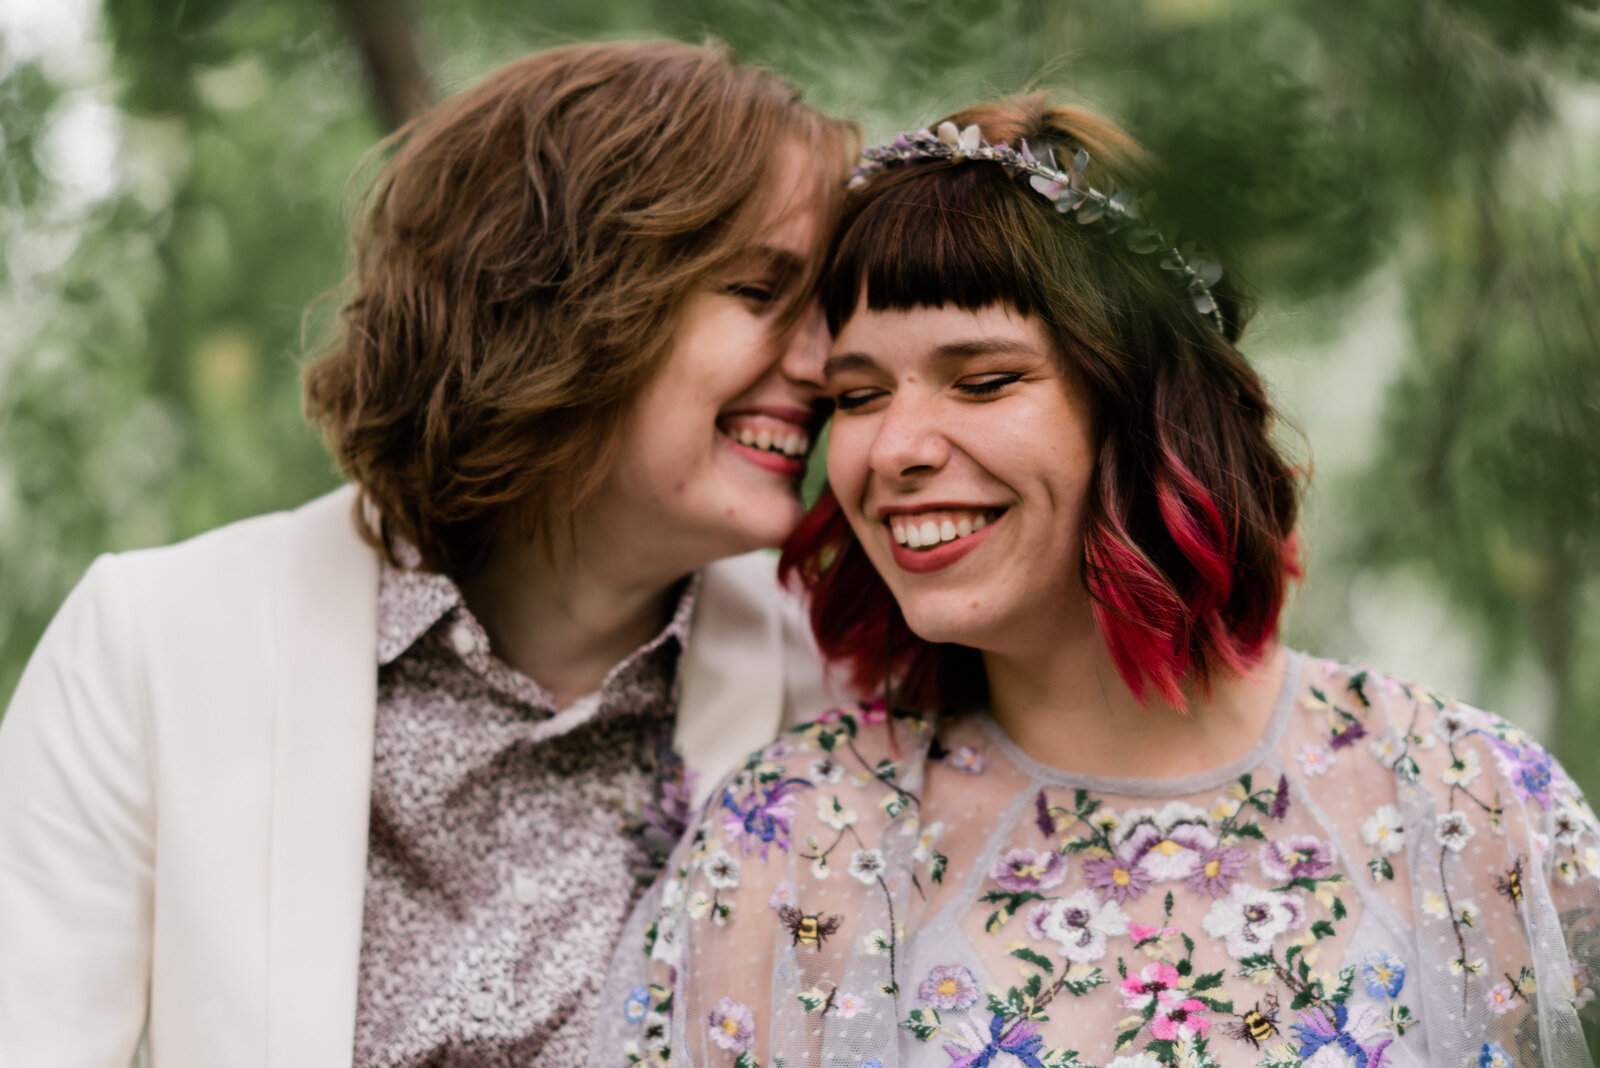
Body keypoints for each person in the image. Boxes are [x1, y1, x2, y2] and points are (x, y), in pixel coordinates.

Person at [594, 96, 1600, 1068]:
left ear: (1149, 413)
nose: (891, 448)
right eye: (857, 396)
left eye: (982, 379)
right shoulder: (790, 839)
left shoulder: (1468, 801)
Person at [0, 41, 853, 1067]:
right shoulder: (150, 651)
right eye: (761, 293)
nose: (824, 364)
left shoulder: (846, 694)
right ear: (557, 299)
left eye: (827, 312)